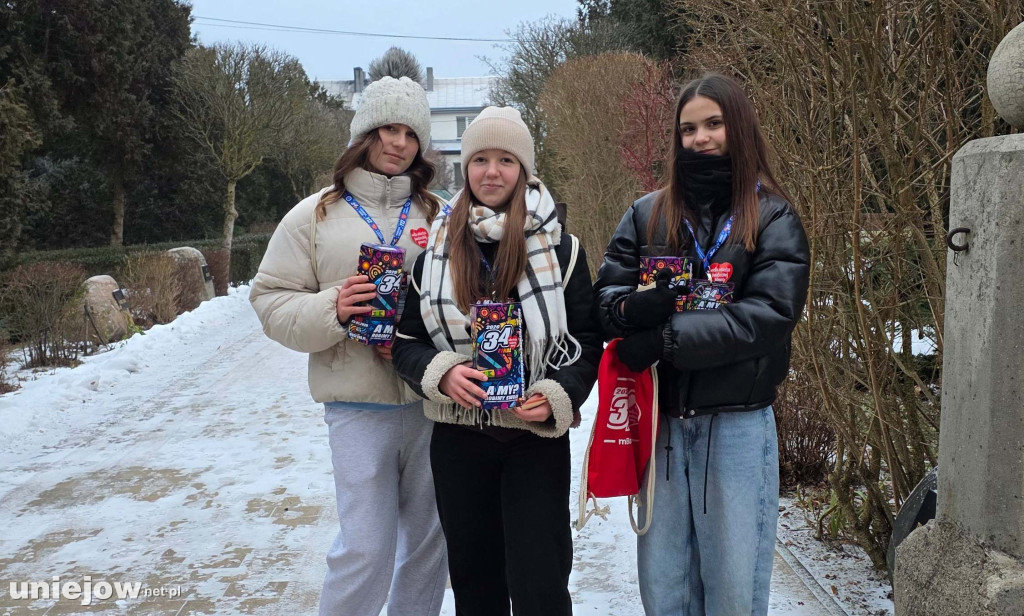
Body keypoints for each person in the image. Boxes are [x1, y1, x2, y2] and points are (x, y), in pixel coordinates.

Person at [593, 73, 810, 615]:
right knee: (665, 589)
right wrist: (627, 311)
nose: (701, 138)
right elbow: (603, 299)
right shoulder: (647, 213)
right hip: (661, 423)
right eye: (688, 128)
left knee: (733, 593)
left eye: (714, 124)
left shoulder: (774, 216)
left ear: (738, 127)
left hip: (736, 426)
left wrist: (666, 337)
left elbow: (768, 316)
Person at [391, 106, 602, 615]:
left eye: (506, 159)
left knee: (540, 584)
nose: (491, 171)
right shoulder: (434, 252)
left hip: (533, 441)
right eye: (480, 159)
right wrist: (442, 374)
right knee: (475, 584)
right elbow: (404, 342)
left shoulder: (563, 250)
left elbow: (587, 339)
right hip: (460, 440)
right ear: (464, 169)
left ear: (524, 169)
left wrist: (558, 396)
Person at [249, 75, 448, 616]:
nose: (399, 142)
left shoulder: (439, 215)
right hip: (357, 410)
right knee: (365, 547)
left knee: (431, 545)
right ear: (364, 133)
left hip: (433, 403)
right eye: (388, 127)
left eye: (411, 132)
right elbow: (268, 301)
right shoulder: (312, 216)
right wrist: (333, 309)